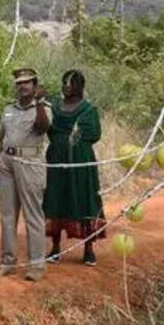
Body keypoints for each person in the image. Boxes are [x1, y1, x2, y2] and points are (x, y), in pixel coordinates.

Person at [0, 68, 51, 281]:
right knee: (7, 214)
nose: (22, 86)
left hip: (30, 162)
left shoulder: (42, 108)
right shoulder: (8, 109)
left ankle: (37, 265)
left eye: (27, 82)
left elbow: (43, 128)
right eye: (19, 82)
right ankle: (8, 261)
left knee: (33, 214)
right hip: (6, 162)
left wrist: (40, 103)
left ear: (34, 85)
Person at [43, 69, 105, 266]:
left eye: (71, 82)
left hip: (81, 161)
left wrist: (74, 136)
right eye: (65, 82)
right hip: (57, 158)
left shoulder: (88, 110)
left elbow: (95, 134)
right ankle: (55, 248)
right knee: (56, 198)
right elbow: (48, 128)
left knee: (84, 197)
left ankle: (88, 249)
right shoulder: (55, 107)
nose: (66, 86)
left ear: (80, 86)